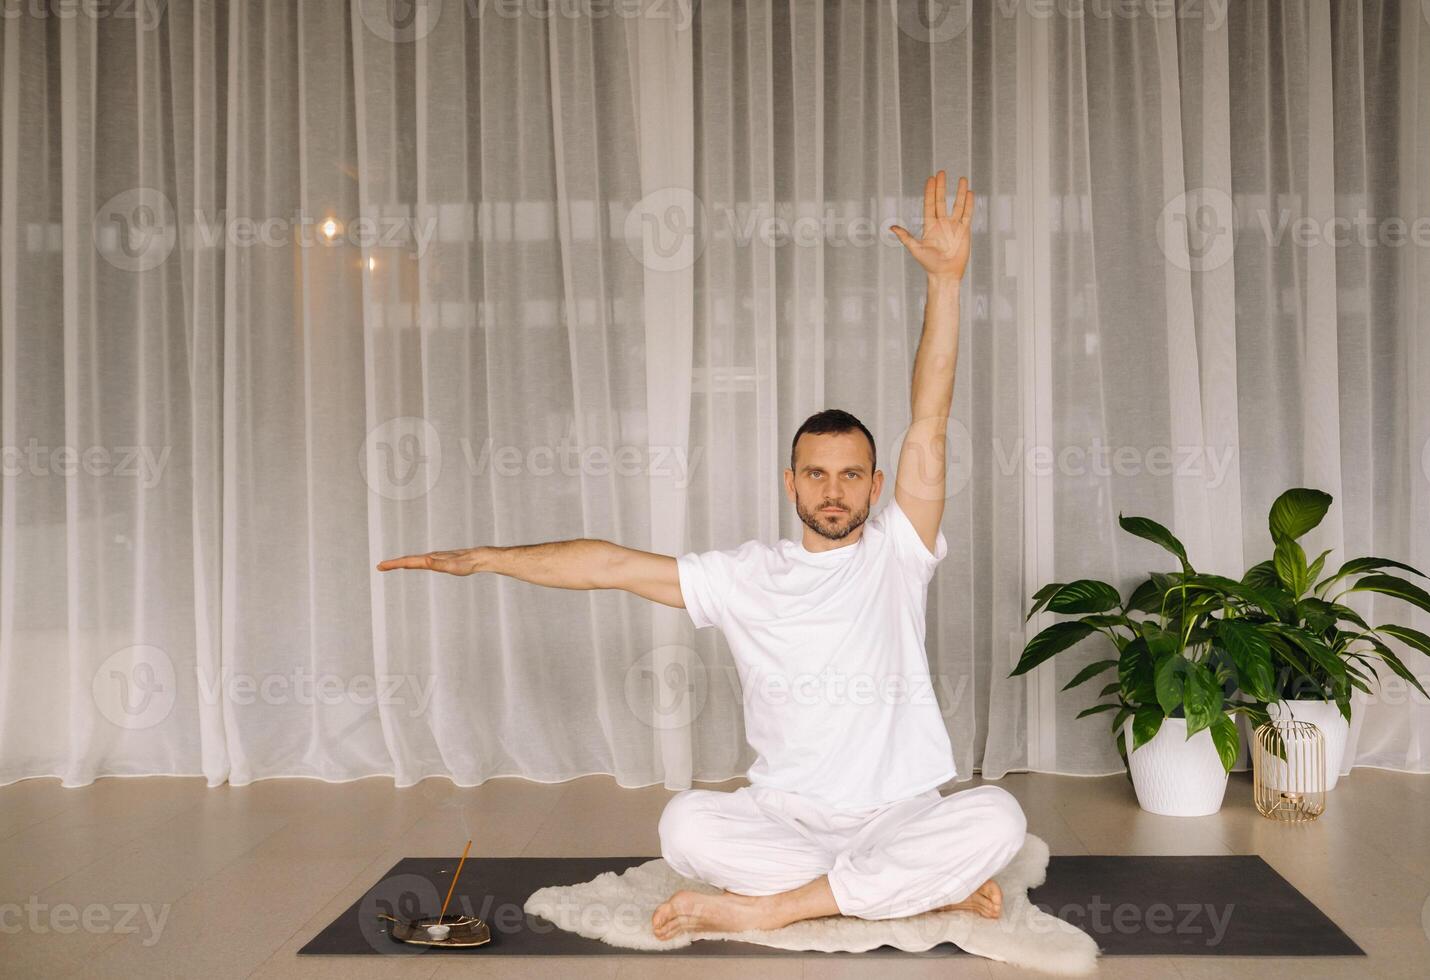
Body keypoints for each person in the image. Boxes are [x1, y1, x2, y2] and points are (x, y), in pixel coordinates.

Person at [378, 172, 1027, 940]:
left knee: (998, 814)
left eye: (851, 475)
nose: (833, 490)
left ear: (876, 484)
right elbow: (609, 566)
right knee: (685, 825)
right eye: (816, 473)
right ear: (790, 482)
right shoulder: (745, 575)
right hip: (787, 819)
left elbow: (930, 415)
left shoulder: (900, 553)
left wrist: (947, 283)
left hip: (901, 813)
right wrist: (485, 557)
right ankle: (912, 892)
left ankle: (784, 906)